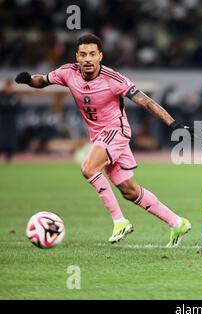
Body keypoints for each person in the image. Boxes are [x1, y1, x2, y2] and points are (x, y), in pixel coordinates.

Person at [15, 34, 191, 246]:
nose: (87, 59)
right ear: (76, 57)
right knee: (129, 190)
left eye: (92, 54)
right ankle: (176, 222)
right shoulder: (67, 73)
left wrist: (172, 124)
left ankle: (119, 221)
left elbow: (146, 102)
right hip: (99, 136)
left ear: (100, 56)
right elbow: (42, 80)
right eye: (83, 55)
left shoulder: (114, 79)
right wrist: (27, 80)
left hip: (116, 131)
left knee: (88, 168)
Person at [0, 80, 20, 163]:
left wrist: (7, 106)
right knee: (2, 137)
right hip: (2, 120)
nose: (9, 88)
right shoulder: (1, 96)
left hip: (12, 120)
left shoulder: (15, 97)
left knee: (11, 138)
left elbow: (17, 108)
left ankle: (9, 156)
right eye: (7, 86)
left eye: (10, 87)